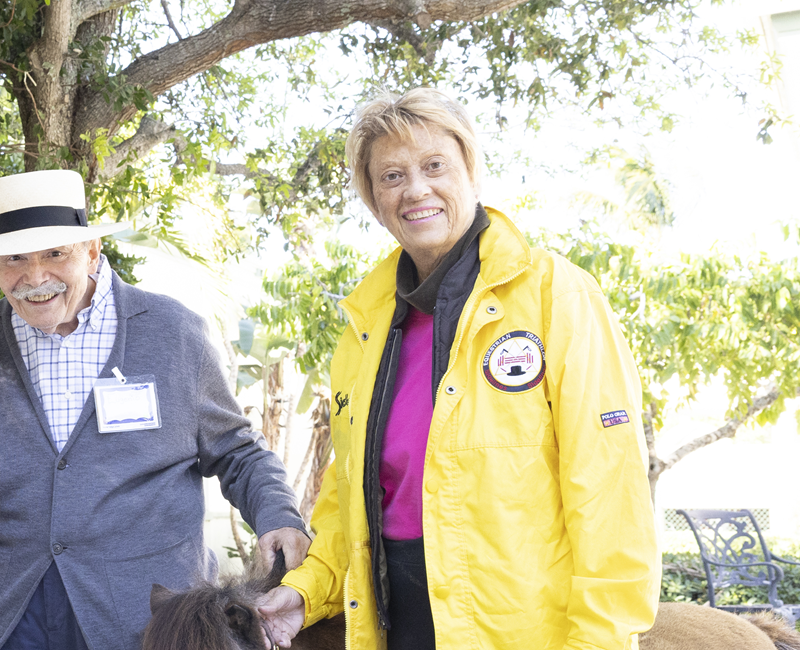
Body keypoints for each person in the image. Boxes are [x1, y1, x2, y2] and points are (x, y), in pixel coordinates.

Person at [254, 88, 658, 650]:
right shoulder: (362, 331)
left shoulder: (555, 296)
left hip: (523, 632)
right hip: (397, 625)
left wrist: (599, 641)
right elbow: (348, 506)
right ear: (374, 200)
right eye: (391, 176)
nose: (416, 189)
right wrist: (304, 590)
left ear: (470, 170)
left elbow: (610, 493)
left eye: (434, 165)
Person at [0, 169, 310, 650]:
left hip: (152, 617)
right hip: (12, 615)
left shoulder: (173, 332)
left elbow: (238, 453)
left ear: (92, 250)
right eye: (15, 258)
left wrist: (278, 514)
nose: (35, 278)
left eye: (55, 253)